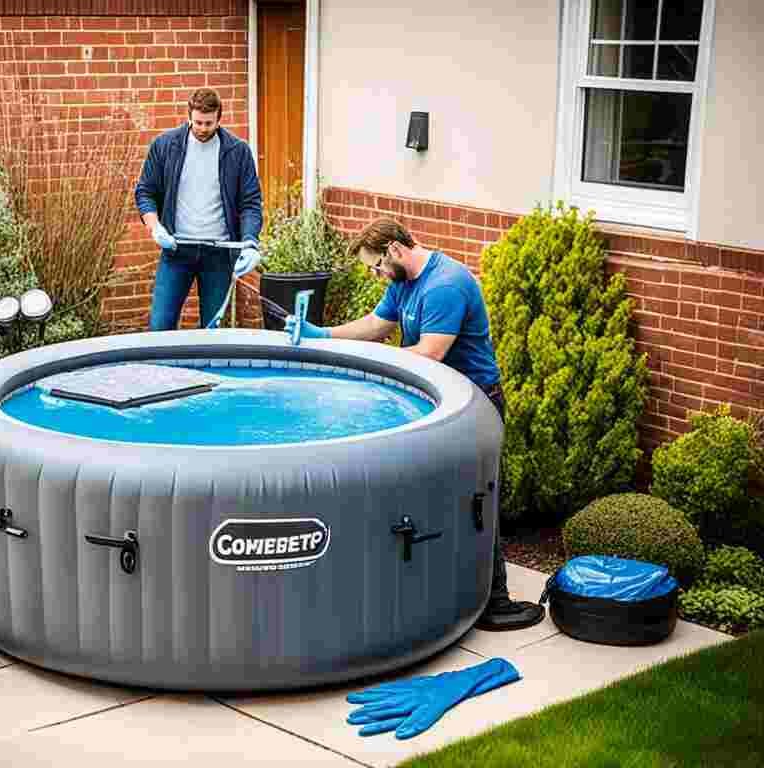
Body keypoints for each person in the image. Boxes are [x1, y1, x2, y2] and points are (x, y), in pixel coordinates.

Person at [285, 217, 545, 631]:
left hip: (475, 404)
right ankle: (451, 586)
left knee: (481, 496)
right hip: (439, 403)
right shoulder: (404, 282)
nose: (375, 275)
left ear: (393, 250)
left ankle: (496, 600)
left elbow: (431, 353)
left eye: (375, 267)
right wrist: (321, 335)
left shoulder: (445, 285)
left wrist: (374, 362)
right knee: (442, 497)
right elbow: (374, 326)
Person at [135, 88, 263, 330]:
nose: (203, 128)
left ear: (219, 119)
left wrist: (250, 242)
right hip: (176, 250)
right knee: (159, 327)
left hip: (219, 253)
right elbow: (145, 192)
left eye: (209, 123)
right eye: (198, 123)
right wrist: (156, 228)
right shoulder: (165, 146)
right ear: (188, 116)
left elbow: (251, 203)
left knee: (213, 332)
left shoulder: (237, 151)